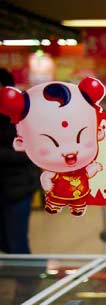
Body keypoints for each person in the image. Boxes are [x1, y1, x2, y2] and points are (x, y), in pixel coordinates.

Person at [0, 69, 40, 253]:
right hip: (7, 186)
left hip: (18, 188)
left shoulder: (23, 116)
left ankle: (28, 281)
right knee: (6, 243)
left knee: (17, 243)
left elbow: (32, 150)